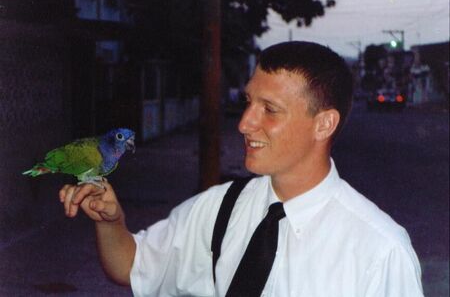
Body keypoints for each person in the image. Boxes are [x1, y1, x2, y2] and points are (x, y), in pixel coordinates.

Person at [59, 41, 424, 296]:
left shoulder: (379, 250)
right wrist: (111, 222)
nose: (245, 123)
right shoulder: (220, 208)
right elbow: (132, 267)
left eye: (270, 109)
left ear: (324, 124)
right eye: (250, 101)